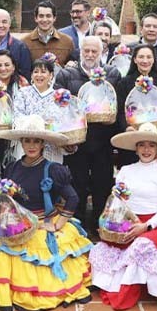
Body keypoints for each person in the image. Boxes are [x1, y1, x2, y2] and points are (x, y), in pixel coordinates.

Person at [0, 115, 93, 311]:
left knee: (35, 258)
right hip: (19, 225)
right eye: (27, 140)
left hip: (42, 224)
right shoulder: (12, 168)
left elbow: (73, 198)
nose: (31, 145)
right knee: (1, 254)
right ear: (21, 143)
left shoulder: (53, 169)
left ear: (43, 144)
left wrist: (57, 224)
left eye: (36, 141)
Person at [90, 123, 157, 310]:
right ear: (136, 148)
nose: (146, 150)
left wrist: (145, 227)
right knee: (102, 247)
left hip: (155, 225)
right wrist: (110, 223)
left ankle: (132, 290)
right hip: (129, 222)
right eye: (142, 145)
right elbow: (119, 204)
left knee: (140, 245)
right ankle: (112, 282)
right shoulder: (126, 171)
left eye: (151, 145)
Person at [55, 36, 121, 234]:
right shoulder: (67, 74)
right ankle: (77, 228)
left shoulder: (112, 74)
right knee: (77, 185)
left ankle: (100, 227)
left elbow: (117, 104)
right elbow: (58, 108)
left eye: (94, 51)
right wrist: (64, 137)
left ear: (102, 53)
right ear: (80, 51)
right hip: (77, 142)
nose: (90, 55)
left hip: (104, 140)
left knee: (102, 185)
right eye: (87, 51)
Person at [0, 50, 30, 222]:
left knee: (15, 179)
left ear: (14, 66)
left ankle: (16, 219)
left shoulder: (23, 85)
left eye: (7, 64)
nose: (3, 68)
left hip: (16, 139)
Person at [115, 44, 157, 166]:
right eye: (141, 57)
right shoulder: (124, 83)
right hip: (132, 139)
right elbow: (120, 111)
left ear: (154, 59)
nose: (145, 61)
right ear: (135, 59)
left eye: (149, 57)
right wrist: (126, 127)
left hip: (156, 138)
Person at [13, 57, 72, 164]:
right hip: (28, 147)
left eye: (43, 72)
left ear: (51, 75)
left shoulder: (59, 96)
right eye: (36, 72)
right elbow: (17, 118)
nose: (39, 75)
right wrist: (37, 123)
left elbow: (65, 122)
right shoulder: (23, 93)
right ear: (31, 75)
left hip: (52, 149)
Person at [22, 0, 76, 66]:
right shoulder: (25, 42)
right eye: (41, 16)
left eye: (48, 16)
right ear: (36, 18)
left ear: (54, 18)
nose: (45, 20)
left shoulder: (67, 42)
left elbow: (72, 68)